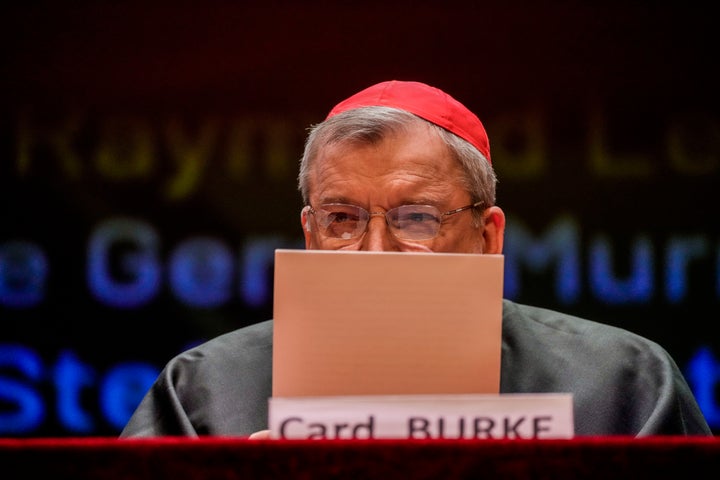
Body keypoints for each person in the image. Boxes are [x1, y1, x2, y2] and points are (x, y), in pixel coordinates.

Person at [120, 80, 712, 438]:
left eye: (417, 219)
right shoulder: (203, 388)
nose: (375, 252)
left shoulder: (624, 380)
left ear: (489, 235)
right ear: (309, 232)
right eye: (342, 219)